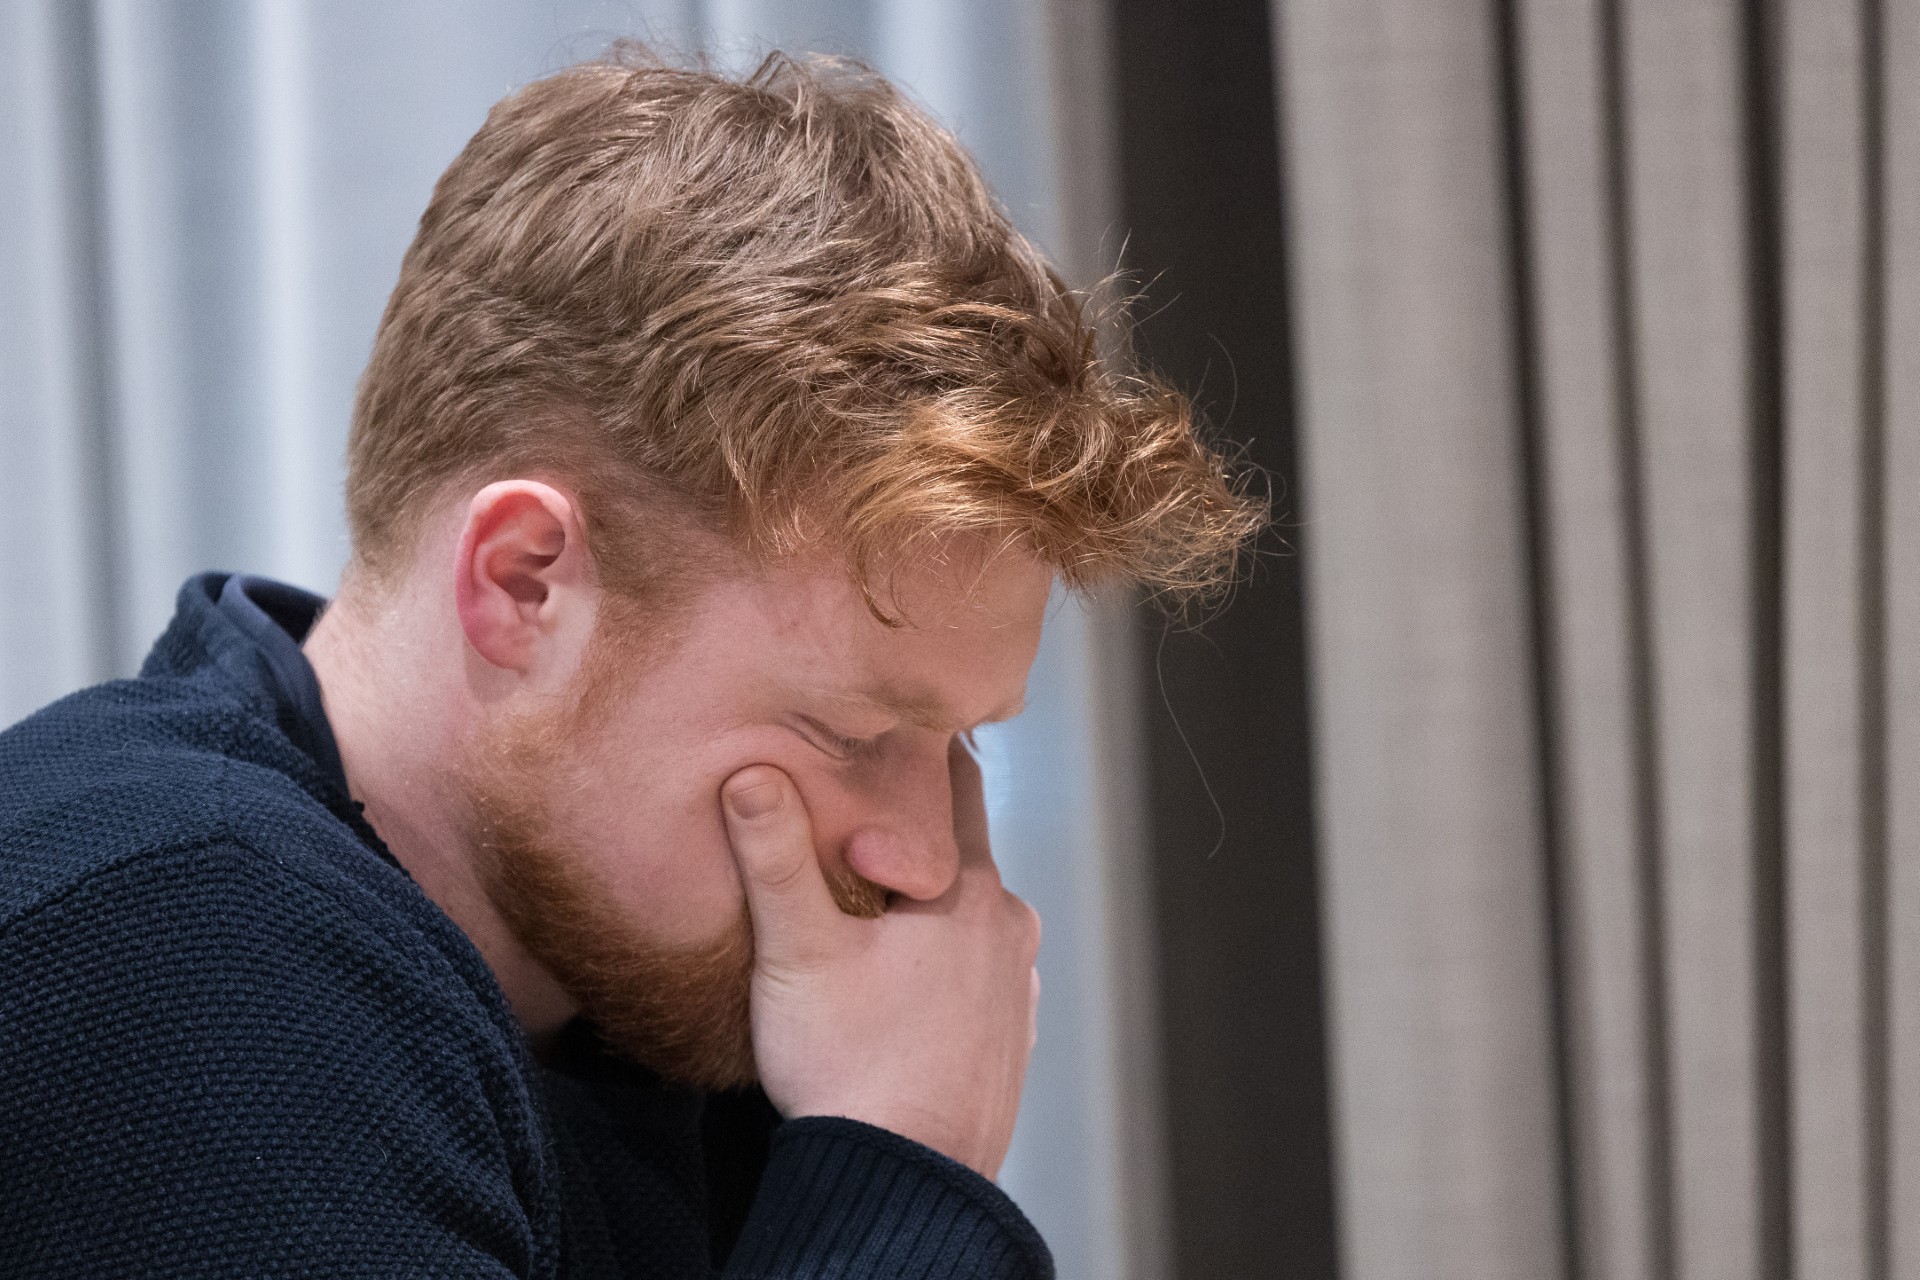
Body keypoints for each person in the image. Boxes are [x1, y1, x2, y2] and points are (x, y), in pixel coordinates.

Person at [0, 45, 1259, 1279]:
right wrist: (890, 1176)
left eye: (961, 737)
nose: (922, 858)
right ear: (523, 579)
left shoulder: (651, 994)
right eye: (848, 732)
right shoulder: (190, 930)